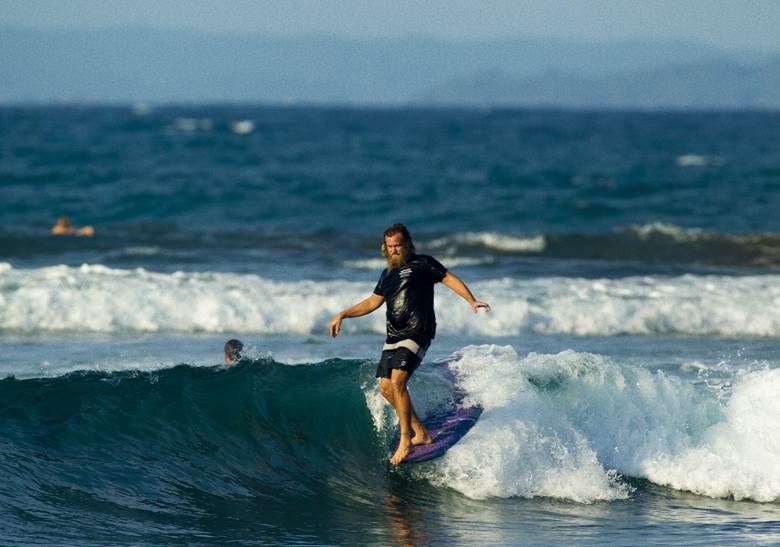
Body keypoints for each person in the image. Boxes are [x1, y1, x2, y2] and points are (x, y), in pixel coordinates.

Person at [329, 223, 490, 464]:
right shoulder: (386, 275)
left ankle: (407, 438)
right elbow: (373, 302)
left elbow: (448, 278)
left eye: (398, 245)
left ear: (408, 244)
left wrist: (471, 300)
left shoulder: (423, 264)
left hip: (418, 331)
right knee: (385, 389)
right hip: (393, 336)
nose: (394, 250)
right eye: (390, 246)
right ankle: (422, 434)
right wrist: (343, 314)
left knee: (398, 381)